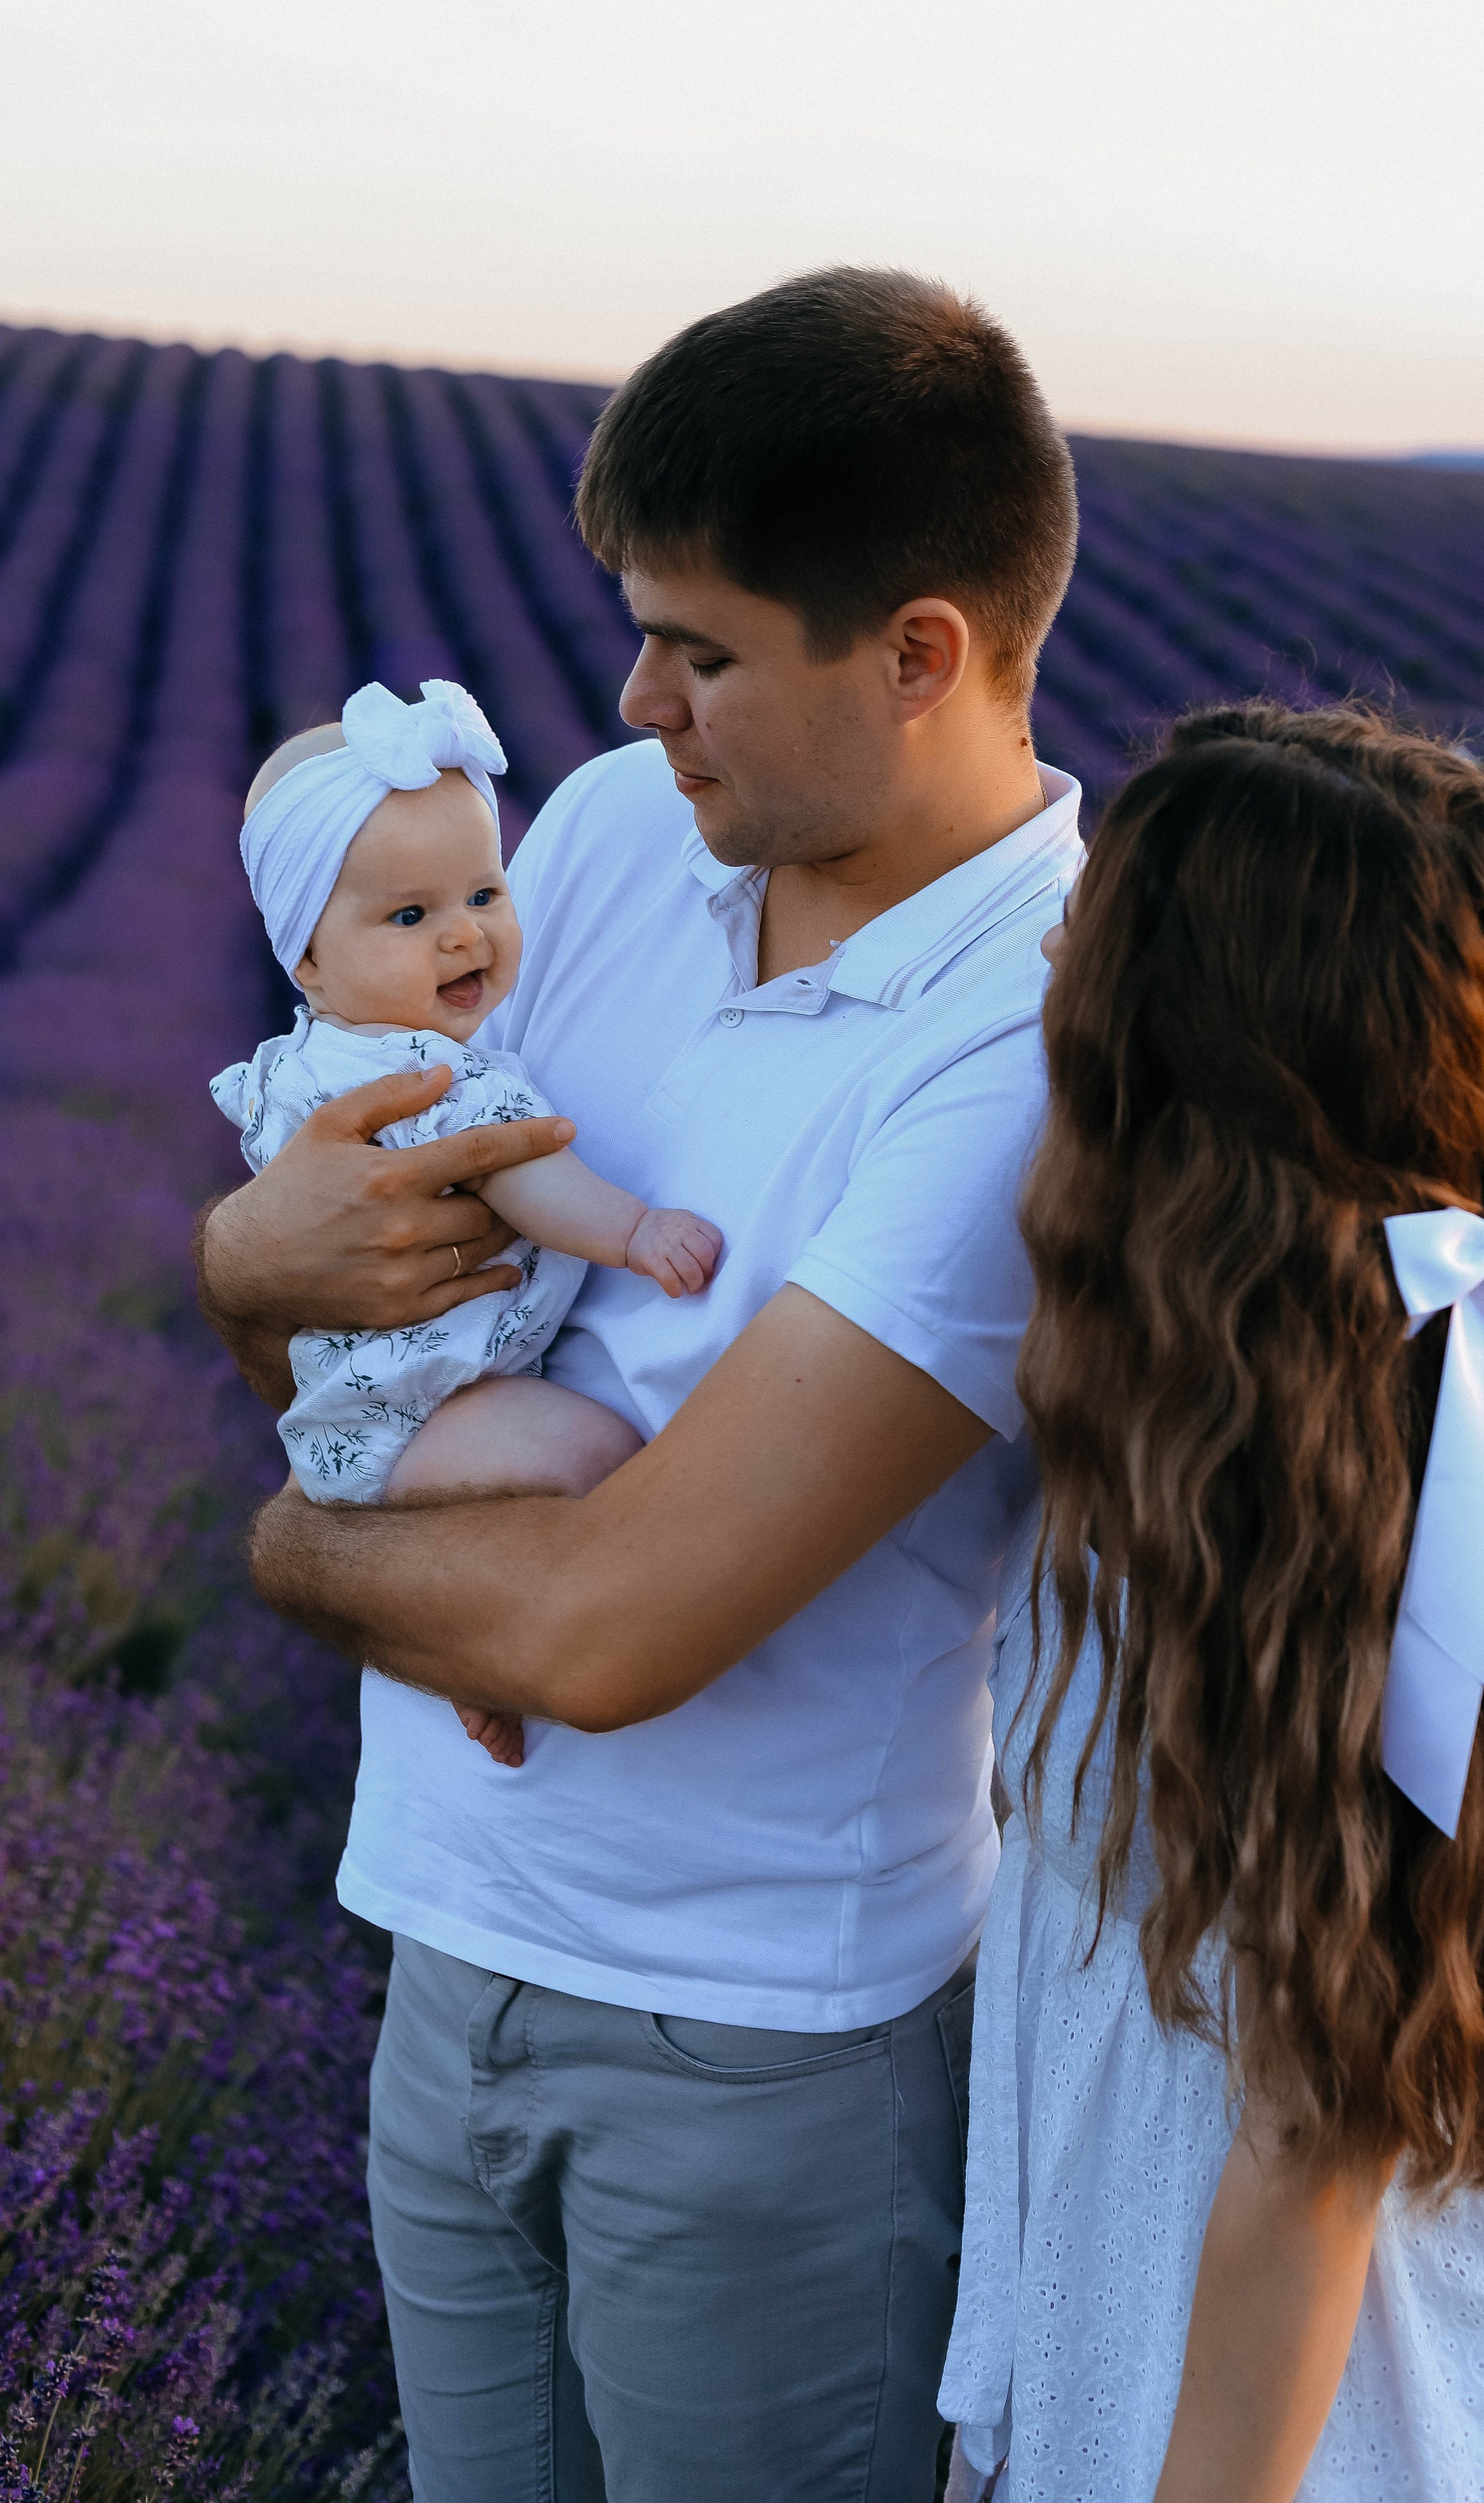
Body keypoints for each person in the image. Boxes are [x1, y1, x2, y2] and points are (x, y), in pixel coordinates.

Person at [196, 267, 1083, 2502]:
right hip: (440, 1942)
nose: (634, 696)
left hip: (755, 2049)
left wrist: (291, 1541)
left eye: (702, 647)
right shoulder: (602, 839)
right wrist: (243, 1269)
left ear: (918, 656)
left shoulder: (1034, 1034)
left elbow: (614, 1632)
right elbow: (340, 1317)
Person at [938, 701, 1484, 2503]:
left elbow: (1321, 2143)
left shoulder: (1354, 1481)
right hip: (1252, 2307)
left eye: (1108, 924)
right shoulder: (1331, 1383)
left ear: (1209, 1046)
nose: (1059, 939)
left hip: (1348, 2404)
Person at [213, 674, 720, 1767]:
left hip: (378, 1415)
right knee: (596, 1453)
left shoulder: (311, 1068)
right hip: (421, 1414)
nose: (461, 938)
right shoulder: (431, 1081)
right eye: (410, 917)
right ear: (305, 956)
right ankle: (481, 1652)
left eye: (484, 896)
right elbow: (526, 1176)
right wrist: (632, 1232)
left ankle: (464, 1658)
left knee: (495, 1516)